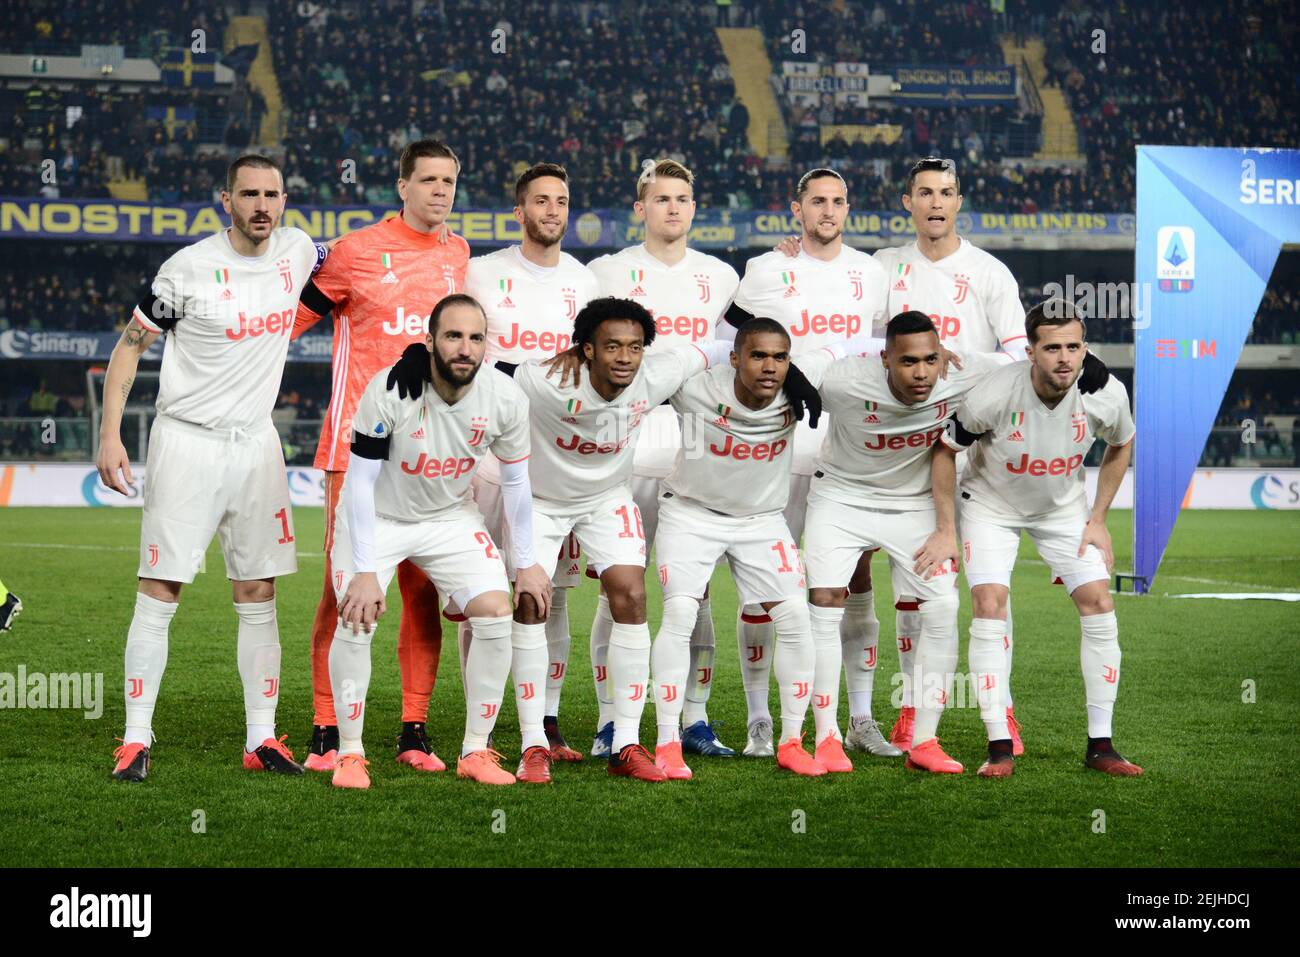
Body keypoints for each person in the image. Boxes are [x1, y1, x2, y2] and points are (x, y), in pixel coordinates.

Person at [99, 153, 327, 782]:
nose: (262, 205)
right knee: (161, 588)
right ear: (224, 200)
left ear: (285, 199)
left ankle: (261, 738)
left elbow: (353, 266)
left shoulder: (299, 250)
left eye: (272, 194)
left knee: (259, 593)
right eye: (248, 194)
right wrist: (111, 435)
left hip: (257, 445)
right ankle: (136, 738)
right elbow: (130, 346)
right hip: (187, 443)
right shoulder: (187, 269)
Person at [291, 139, 469, 773]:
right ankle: (325, 725)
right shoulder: (353, 253)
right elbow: (289, 323)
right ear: (402, 185)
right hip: (354, 447)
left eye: (449, 180)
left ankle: (413, 729)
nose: (440, 191)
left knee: (422, 591)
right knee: (343, 589)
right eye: (428, 180)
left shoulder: (459, 253)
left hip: (431, 453)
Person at [325, 294, 551, 789]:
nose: (464, 347)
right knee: (357, 616)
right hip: (378, 517)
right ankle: (349, 753)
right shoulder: (389, 389)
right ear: (429, 341)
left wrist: (528, 564)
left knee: (494, 612)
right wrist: (364, 572)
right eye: (453, 336)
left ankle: (475, 750)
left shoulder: (505, 397)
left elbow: (515, 484)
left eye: (475, 337)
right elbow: (359, 484)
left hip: (449, 516)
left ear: (486, 345)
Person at [515, 298, 736, 782]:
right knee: (531, 603)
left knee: (632, 596)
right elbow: (486, 370)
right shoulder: (544, 379)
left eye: (634, 347)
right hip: (541, 500)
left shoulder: (658, 374)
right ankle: (533, 744)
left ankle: (626, 744)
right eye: (611, 346)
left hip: (606, 498)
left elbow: (723, 347)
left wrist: (796, 374)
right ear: (586, 350)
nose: (624, 357)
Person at [653, 317, 874, 778]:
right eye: (757, 356)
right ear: (734, 358)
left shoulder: (796, 380)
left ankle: (792, 741)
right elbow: (666, 361)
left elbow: (850, 344)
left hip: (761, 521)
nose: (770, 366)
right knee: (679, 614)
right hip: (691, 514)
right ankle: (667, 743)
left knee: (795, 618)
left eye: (780, 357)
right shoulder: (694, 387)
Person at [723, 167, 888, 758]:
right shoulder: (768, 270)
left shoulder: (872, 274)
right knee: (762, 582)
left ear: (848, 208)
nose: (828, 210)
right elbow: (730, 342)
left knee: (853, 578)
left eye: (838, 201)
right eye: (817, 201)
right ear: (797, 209)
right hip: (775, 447)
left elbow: (878, 352)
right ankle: (761, 718)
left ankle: (861, 718)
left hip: (846, 451)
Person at [805, 310, 1014, 773]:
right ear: (884, 359)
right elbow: (789, 363)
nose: (921, 373)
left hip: (915, 505)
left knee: (941, 605)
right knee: (824, 602)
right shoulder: (843, 381)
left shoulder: (966, 373)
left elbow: (1032, 362)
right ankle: (826, 737)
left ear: (944, 357)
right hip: (842, 496)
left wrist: (1092, 369)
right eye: (908, 362)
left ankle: (924, 741)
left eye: (930, 360)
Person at [941, 299, 1141, 778]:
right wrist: (947, 529)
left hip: (1063, 509)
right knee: (990, 603)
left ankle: (1102, 746)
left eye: (1073, 346)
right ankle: (999, 746)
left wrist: (1098, 518)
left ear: (1085, 348)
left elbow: (1121, 442)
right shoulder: (993, 393)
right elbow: (945, 450)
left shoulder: (1106, 393)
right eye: (1052, 348)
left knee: (1098, 601)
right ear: (1030, 351)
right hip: (990, 506)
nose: (1064, 358)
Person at [586, 158, 740, 758]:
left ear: (694, 209)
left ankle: (694, 719)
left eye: (683, 199)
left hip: (695, 442)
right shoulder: (608, 271)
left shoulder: (723, 277)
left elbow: (759, 332)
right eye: (661, 198)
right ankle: (609, 720)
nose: (672, 208)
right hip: (623, 442)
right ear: (640, 207)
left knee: (693, 592)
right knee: (616, 588)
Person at [461, 163, 600, 762]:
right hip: (489, 456)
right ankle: (481, 727)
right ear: (519, 211)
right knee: (484, 591)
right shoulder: (483, 273)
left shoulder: (584, 281)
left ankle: (544, 719)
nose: (552, 210)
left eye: (562, 201)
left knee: (554, 594)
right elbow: (462, 351)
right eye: (541, 200)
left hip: (554, 462)